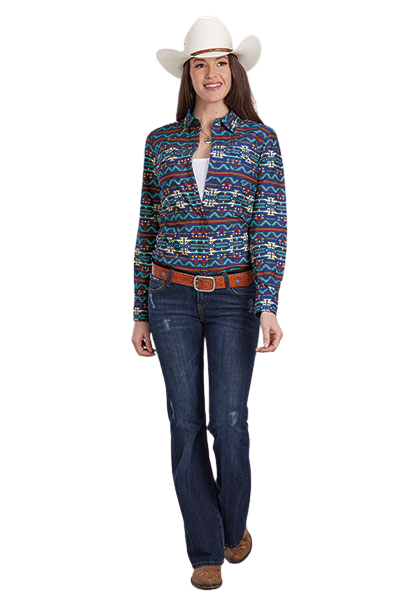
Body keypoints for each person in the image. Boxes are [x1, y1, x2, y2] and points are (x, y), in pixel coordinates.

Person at [131, 15, 287, 590]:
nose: (211, 73)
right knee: (185, 423)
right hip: (169, 295)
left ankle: (232, 525)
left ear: (234, 71)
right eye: (200, 64)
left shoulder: (259, 141)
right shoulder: (160, 143)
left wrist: (267, 301)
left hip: (234, 299)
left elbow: (270, 224)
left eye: (221, 62)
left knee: (229, 421)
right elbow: (147, 227)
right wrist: (139, 310)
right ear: (188, 73)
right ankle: (205, 549)